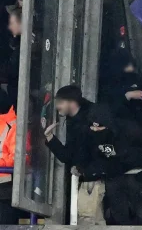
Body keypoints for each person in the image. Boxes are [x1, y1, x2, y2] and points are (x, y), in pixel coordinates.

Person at [43, 85, 105, 225]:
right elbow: (68, 156)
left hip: (93, 179)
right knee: (95, 222)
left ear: (71, 102)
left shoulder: (94, 115)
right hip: (84, 179)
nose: (57, 106)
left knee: (87, 221)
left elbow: (104, 147)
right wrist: (50, 137)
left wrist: (85, 168)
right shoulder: (73, 120)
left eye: (60, 102)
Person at [84, 105, 142, 226]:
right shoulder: (90, 135)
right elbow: (92, 155)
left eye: (99, 128)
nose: (95, 130)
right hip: (113, 176)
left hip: (136, 174)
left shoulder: (130, 130)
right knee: (119, 216)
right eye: (92, 127)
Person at [106, 49, 142, 127]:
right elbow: (112, 107)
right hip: (123, 125)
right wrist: (128, 96)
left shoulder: (136, 78)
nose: (131, 67)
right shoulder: (112, 83)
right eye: (127, 64)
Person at [6, 7, 21, 109]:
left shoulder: (32, 45)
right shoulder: (18, 43)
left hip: (25, 96)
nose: (10, 27)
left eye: (12, 23)